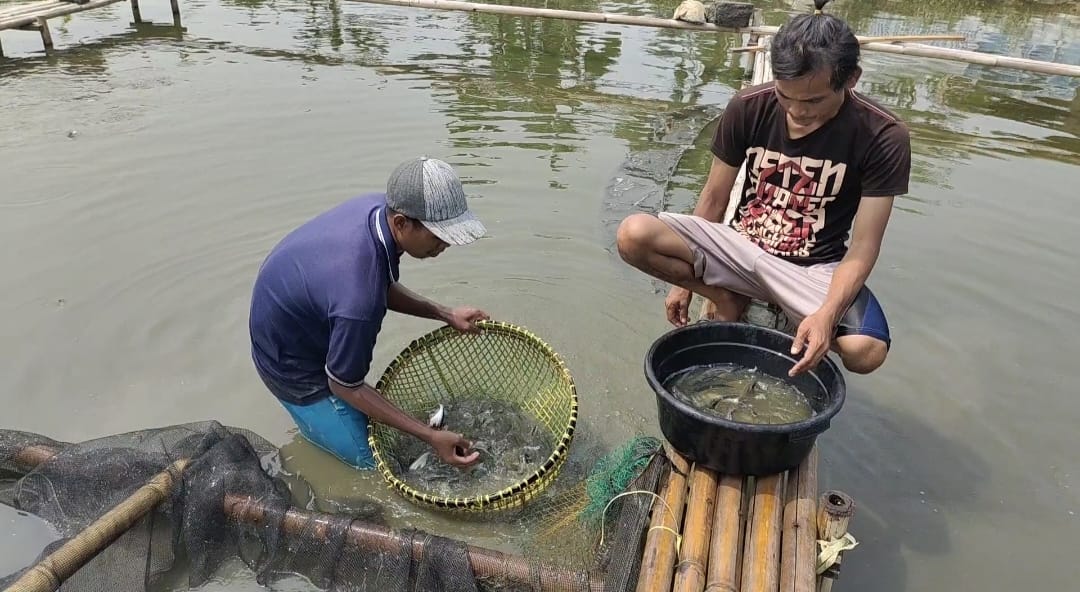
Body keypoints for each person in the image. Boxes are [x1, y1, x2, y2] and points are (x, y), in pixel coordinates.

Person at [616, 0, 911, 377]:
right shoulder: (748, 106)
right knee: (633, 234)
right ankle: (725, 294)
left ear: (850, 79)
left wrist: (826, 316)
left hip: (810, 268)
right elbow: (714, 198)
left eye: (813, 101)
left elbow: (864, 246)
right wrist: (685, 285)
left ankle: (776, 303)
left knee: (866, 352)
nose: (796, 111)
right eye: (785, 96)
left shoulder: (882, 135)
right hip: (739, 247)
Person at [248, 156, 489, 470]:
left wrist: (446, 314)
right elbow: (343, 384)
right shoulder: (358, 297)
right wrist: (429, 436)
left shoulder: (378, 209)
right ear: (402, 223)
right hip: (289, 366)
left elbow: (379, 285)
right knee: (372, 466)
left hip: (297, 321)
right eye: (438, 235)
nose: (446, 244)